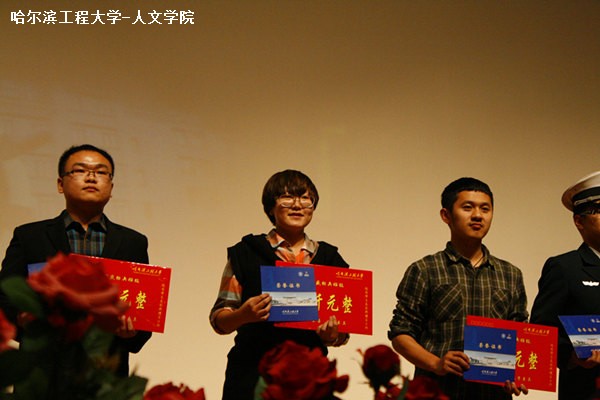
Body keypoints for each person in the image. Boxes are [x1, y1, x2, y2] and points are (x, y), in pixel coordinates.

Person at [0, 144, 151, 377]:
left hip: (105, 375)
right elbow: (6, 295)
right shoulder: (30, 236)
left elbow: (143, 311)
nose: (91, 177)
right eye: (80, 170)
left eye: (101, 172)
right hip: (43, 373)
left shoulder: (133, 242)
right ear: (60, 184)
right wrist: (30, 324)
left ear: (111, 187)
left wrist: (132, 332)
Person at [209, 169, 350, 400]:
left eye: (305, 198)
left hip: (309, 379)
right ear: (270, 208)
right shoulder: (246, 253)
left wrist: (332, 336)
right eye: (287, 198)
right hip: (252, 375)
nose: (297, 205)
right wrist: (243, 315)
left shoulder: (330, 258)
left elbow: (344, 331)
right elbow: (219, 320)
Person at [388, 177, 528, 400]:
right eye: (467, 207)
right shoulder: (425, 269)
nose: (478, 215)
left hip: (492, 395)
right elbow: (400, 334)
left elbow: (521, 336)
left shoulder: (511, 274)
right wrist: (436, 363)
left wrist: (518, 374)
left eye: (485, 209)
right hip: (437, 392)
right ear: (446, 215)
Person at [530, 171, 600, 400]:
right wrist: (572, 356)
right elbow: (541, 333)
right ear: (579, 221)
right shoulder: (565, 267)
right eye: (599, 209)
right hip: (588, 390)